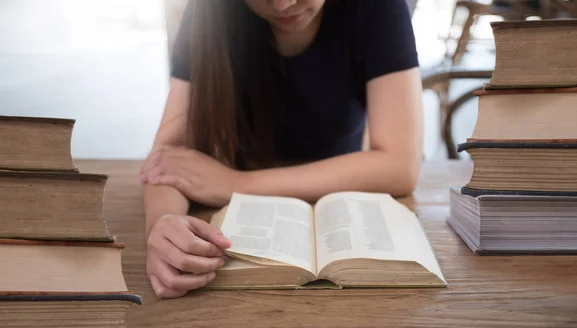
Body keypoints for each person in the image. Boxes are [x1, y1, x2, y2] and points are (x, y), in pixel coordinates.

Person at [139, 0, 424, 299]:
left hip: (340, 202)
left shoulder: (379, 8)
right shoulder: (208, 9)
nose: (283, 4)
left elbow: (400, 166)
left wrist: (235, 184)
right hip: (244, 222)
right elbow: (167, 157)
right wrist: (164, 223)